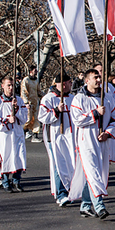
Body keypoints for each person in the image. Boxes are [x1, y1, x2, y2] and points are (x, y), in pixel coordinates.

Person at [68, 69, 115, 219]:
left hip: (102, 140)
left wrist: (108, 132)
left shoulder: (108, 97)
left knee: (95, 172)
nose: (98, 80)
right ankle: (99, 206)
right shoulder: (79, 98)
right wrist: (95, 113)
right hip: (86, 141)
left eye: (99, 77)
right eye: (95, 77)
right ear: (87, 81)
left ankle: (85, 205)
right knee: (92, 171)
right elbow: (77, 119)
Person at [38, 73, 76, 207]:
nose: (72, 85)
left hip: (70, 137)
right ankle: (61, 194)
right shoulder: (48, 98)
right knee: (58, 164)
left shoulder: (72, 98)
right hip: (54, 136)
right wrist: (56, 111)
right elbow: (42, 117)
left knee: (69, 163)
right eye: (70, 82)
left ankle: (70, 190)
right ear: (64, 84)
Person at [0, 77, 28, 192]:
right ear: (3, 86)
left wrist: (16, 109)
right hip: (5, 135)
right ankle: (6, 182)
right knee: (6, 156)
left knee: (19, 156)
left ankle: (16, 180)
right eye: (8, 85)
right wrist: (6, 121)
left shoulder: (19, 100)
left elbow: (24, 117)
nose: (11, 88)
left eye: (12, 85)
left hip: (17, 133)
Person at [94, 63, 115, 163]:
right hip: (92, 127)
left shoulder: (110, 88)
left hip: (106, 126)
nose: (100, 74)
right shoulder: (85, 90)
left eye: (102, 71)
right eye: (98, 71)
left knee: (104, 160)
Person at [21, 66, 42, 142]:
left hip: (35, 102)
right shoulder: (26, 80)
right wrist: (26, 102)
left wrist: (44, 96)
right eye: (34, 70)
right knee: (28, 119)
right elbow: (23, 92)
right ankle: (23, 131)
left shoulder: (36, 80)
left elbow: (38, 91)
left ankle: (35, 135)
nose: (36, 71)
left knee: (36, 118)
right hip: (29, 103)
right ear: (31, 71)